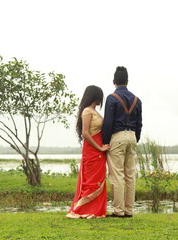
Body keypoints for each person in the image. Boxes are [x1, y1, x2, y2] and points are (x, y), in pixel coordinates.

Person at [102, 66, 142, 218]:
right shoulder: (137, 100)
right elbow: (139, 123)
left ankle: (118, 211)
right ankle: (129, 210)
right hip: (132, 136)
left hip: (117, 136)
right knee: (130, 175)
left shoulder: (112, 98)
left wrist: (106, 142)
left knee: (117, 175)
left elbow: (108, 122)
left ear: (114, 82)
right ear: (127, 81)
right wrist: (135, 138)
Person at [66, 85, 110, 219]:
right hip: (92, 150)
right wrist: (100, 147)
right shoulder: (87, 111)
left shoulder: (94, 111)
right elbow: (85, 133)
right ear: (95, 96)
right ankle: (83, 209)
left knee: (98, 179)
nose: (100, 100)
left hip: (99, 151)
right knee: (90, 180)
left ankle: (97, 210)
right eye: (99, 97)